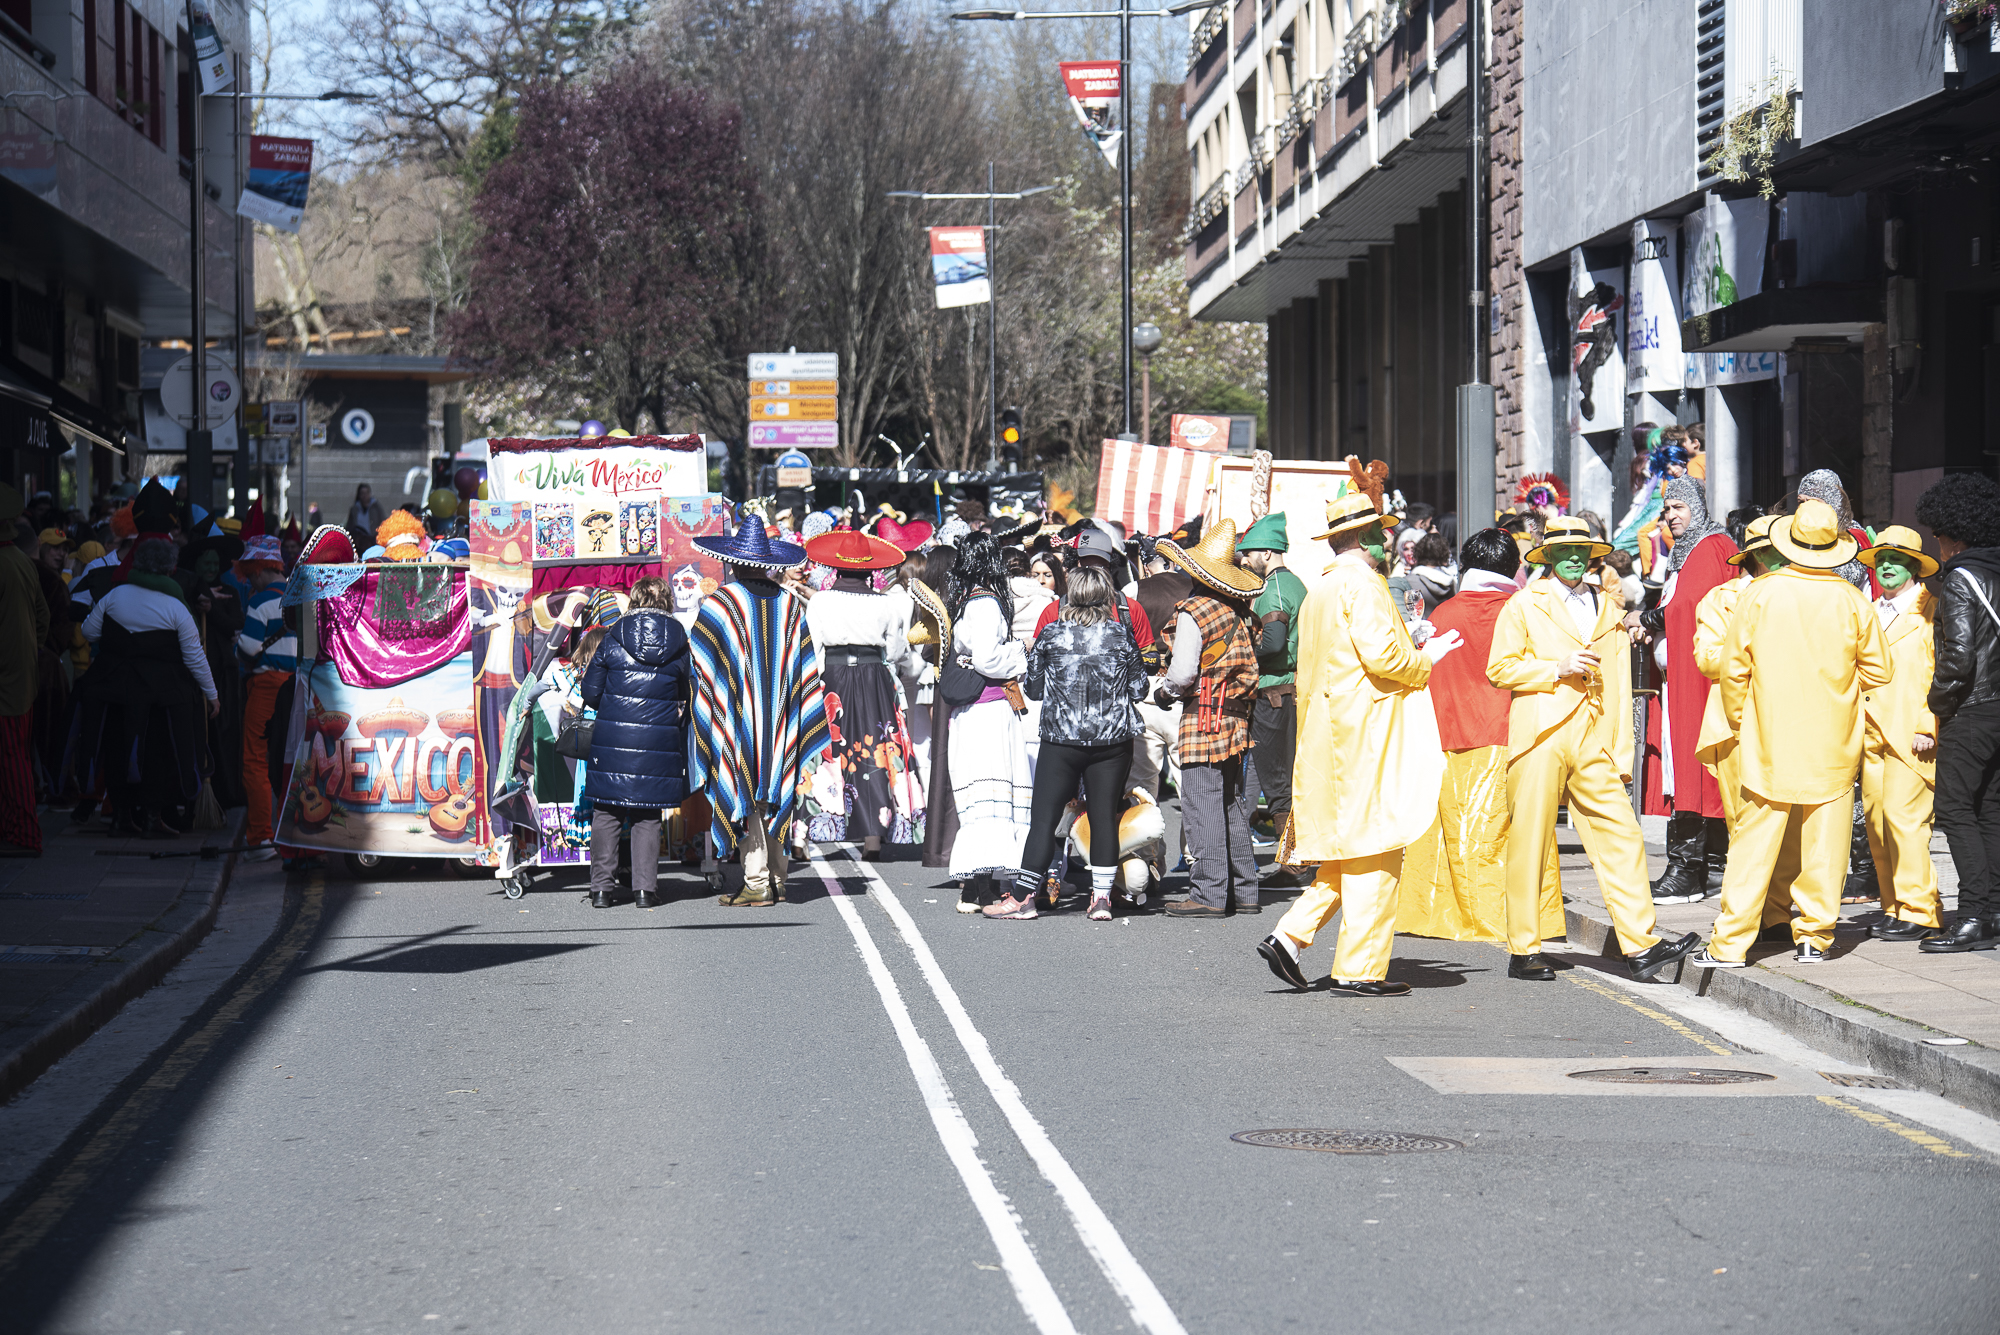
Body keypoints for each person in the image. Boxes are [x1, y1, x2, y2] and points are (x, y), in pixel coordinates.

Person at [1257, 479, 1457, 994]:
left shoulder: (1322, 589)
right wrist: (1425, 659)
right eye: (1381, 533)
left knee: (1348, 851)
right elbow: (1384, 658)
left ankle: (1289, 936)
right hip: (1367, 737)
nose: (1387, 541)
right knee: (1377, 850)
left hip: (1332, 736)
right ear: (1367, 537)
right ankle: (1359, 969)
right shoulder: (1364, 585)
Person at [1488, 516, 1699, 982]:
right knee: (1530, 842)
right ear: (1547, 556)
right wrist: (1555, 668)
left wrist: (1621, 752)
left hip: (1595, 737)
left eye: (1580, 551)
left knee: (1622, 835)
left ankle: (1641, 945)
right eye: (1563, 551)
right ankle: (1524, 949)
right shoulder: (1524, 603)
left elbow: (1621, 683)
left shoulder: (1608, 606)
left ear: (1591, 556)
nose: (1573, 557)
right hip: (1541, 733)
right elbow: (1499, 668)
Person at [1695, 500, 1891, 968]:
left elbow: (1733, 670)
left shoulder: (1760, 594)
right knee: (1825, 846)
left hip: (1769, 737)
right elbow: (1880, 671)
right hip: (1833, 739)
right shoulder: (1852, 600)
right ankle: (1814, 939)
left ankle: (1729, 944)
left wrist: (1741, 720)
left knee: (1752, 844)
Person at [1393, 528, 1563, 944]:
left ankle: (1440, 915)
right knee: (1509, 834)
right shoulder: (1523, 611)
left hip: (1445, 735)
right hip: (1510, 733)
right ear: (1513, 567)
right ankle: (1510, 917)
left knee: (1449, 833)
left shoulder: (1442, 615)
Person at [988, 566, 1151, 921]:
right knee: (1104, 815)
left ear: (1070, 595)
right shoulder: (1121, 636)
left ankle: (1024, 898)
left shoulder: (1051, 634)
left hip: (1062, 738)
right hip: (1112, 738)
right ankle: (1102, 899)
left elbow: (1032, 689)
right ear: (1107, 596)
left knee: (1044, 819)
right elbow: (1140, 689)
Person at [689, 522, 827, 907]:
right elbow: (803, 665)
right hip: (781, 714)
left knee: (744, 786)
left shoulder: (722, 602)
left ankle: (755, 880)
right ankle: (777, 879)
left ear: (732, 562)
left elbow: (701, 661)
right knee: (777, 784)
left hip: (736, 714)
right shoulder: (789, 603)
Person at [1630, 475, 1738, 904]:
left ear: (1696, 506)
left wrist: (1645, 619)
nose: (1670, 516)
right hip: (1680, 679)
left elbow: (1693, 606)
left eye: (1678, 507)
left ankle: (1690, 869)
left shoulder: (1711, 546)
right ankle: (1704, 865)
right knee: (1684, 768)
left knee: (1692, 769)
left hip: (1699, 681)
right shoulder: (1688, 549)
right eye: (1666, 510)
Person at [1690, 517, 1797, 941]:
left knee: (1788, 823)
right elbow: (1707, 658)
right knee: (1745, 825)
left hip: (1789, 720)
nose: (1783, 558)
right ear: (1755, 555)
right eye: (1775, 551)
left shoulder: (1798, 594)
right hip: (1735, 725)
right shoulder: (1721, 599)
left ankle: (1776, 913)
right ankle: (1743, 919)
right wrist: (1759, 653)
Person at [1155, 520, 1264, 917]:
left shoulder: (1194, 610)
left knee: (1201, 805)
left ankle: (1209, 893)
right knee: (1231, 804)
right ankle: (1245, 890)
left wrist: (1164, 692)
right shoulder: (1242, 612)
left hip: (1203, 715)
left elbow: (1183, 672)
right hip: (1237, 718)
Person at [75, 539, 217, 837]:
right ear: (169, 569)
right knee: (157, 755)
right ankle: (153, 818)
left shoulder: (115, 596)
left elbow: (89, 631)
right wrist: (212, 695)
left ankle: (121, 817)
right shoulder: (175, 607)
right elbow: (194, 657)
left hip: (115, 689)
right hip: (160, 697)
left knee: (117, 751)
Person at [1914, 473, 2000, 952]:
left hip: (1971, 708)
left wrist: (1937, 702)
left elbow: (1959, 654)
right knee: (1990, 808)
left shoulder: (1962, 577)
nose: (1938, 546)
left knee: (1954, 809)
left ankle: (1971, 917)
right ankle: (1994, 911)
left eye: (1939, 536)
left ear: (1955, 535)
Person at [800, 529, 923, 856]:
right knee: (875, 750)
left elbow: (812, 648)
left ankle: (809, 831)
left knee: (829, 748)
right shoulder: (886, 604)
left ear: (836, 567)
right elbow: (895, 651)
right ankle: (872, 838)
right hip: (874, 680)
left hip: (834, 679)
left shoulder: (821, 601)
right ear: (870, 569)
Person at [1853, 527, 1944, 942]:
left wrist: (1928, 723)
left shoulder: (1932, 611)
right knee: (1877, 823)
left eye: (1897, 559)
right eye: (1882, 559)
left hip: (1910, 734)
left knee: (1905, 821)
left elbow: (1940, 674)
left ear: (1914, 567)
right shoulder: (1868, 611)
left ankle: (1921, 911)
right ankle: (1895, 907)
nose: (1887, 566)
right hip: (1869, 732)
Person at [579, 577, 691, 909]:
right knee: (648, 814)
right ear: (667, 602)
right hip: (659, 739)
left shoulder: (613, 637)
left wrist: (615, 706)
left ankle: (601, 890)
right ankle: (644, 890)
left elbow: (590, 693)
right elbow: (685, 692)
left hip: (613, 738)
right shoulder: (680, 642)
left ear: (634, 600)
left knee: (607, 810)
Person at [939, 531, 1035, 912]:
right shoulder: (988, 604)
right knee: (993, 795)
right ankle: (981, 888)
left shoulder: (966, 601)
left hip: (972, 713)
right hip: (990, 713)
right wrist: (1019, 651)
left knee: (980, 800)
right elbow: (988, 660)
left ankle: (976, 887)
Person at [1236, 513, 1306, 854]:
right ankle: (1295, 860)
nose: (1244, 561)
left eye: (1249, 553)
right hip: (1288, 691)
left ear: (1266, 552)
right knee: (1286, 778)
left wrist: (1237, 654)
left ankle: (1292, 863)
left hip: (1274, 695)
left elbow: (1274, 643)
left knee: (1277, 782)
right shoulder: (1295, 583)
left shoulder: (1273, 587)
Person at [176, 525, 246, 809]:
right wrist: (201, 599)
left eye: (215, 564)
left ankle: (226, 792)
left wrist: (212, 608)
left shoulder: (229, 592)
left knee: (225, 733)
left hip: (224, 674)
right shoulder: (188, 593)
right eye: (206, 563)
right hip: (195, 674)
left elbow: (234, 626)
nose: (211, 568)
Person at [234, 537, 295, 860]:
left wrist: (237, 645)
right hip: (299, 686)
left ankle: (261, 838)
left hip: (267, 686)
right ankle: (296, 834)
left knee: (256, 759)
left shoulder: (259, 602)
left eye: (249, 574)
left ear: (257, 570)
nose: (249, 581)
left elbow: (248, 647)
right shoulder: (303, 596)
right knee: (292, 760)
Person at [0, 488, 48, 854]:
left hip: (7, 681)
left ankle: (25, 834)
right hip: (22, 676)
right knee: (14, 755)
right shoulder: (21, 560)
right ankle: (13, 829)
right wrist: (30, 653)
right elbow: (42, 617)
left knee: (11, 758)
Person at [347, 484, 386, 550]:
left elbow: (383, 523)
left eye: (366, 493)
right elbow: (350, 526)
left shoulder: (376, 508)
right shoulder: (354, 509)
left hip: (373, 541)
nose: (364, 496)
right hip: (359, 543)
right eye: (362, 493)